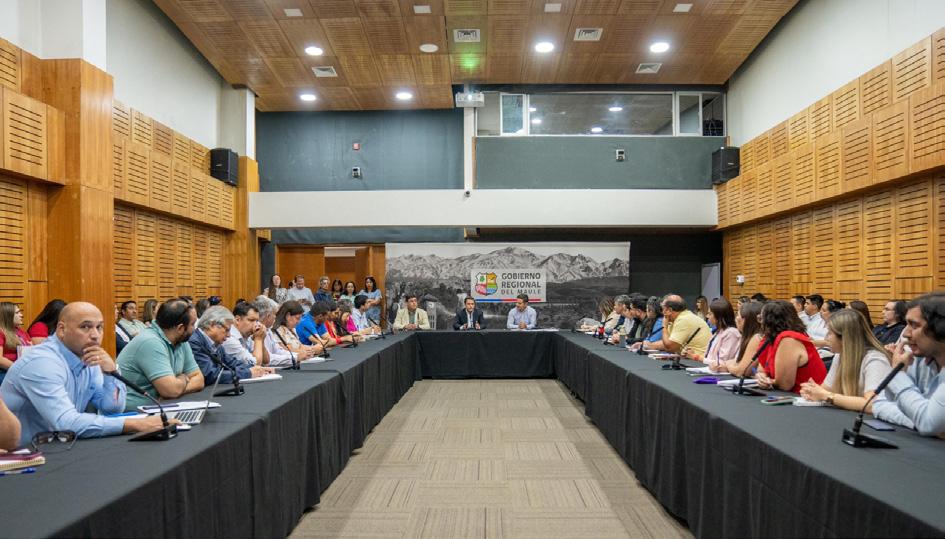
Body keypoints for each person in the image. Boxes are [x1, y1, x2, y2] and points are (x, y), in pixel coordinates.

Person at [0, 302, 170, 447]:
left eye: (99, 327)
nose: (95, 335)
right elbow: (66, 423)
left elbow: (111, 407)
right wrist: (135, 424)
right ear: (61, 329)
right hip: (19, 456)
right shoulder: (42, 363)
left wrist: (111, 373)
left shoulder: (88, 356)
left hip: (56, 447)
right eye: (85, 327)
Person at [870, 293, 945, 436]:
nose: (905, 334)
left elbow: (928, 423)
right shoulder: (917, 358)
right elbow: (879, 404)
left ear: (940, 329)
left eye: (914, 325)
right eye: (907, 324)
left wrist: (898, 374)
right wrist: (920, 420)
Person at [116, 299, 205, 411]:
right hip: (134, 414)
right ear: (180, 328)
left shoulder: (181, 340)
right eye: (193, 324)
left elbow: (199, 379)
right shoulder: (150, 342)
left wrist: (178, 386)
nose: (195, 329)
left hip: (161, 407)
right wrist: (184, 378)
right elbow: (171, 391)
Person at [799, 309, 893, 412]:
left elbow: (872, 404)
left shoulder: (875, 360)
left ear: (844, 337)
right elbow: (827, 389)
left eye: (830, 333)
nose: (826, 338)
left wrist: (827, 396)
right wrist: (813, 391)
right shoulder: (840, 355)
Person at [754, 300, 827, 394]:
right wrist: (761, 377)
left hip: (806, 396)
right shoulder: (771, 338)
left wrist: (769, 382)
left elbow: (785, 384)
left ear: (770, 321)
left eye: (761, 319)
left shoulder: (789, 339)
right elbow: (761, 369)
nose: (760, 323)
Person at [189, 306, 272, 385]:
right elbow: (210, 375)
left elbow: (232, 363)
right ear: (211, 325)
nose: (229, 335)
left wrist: (257, 369)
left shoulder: (216, 343)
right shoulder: (194, 342)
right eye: (227, 330)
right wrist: (248, 373)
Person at [684, 298, 741, 369]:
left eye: (710, 314)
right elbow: (710, 357)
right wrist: (693, 354)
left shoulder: (731, 333)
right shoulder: (719, 331)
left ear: (719, 316)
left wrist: (696, 357)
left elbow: (721, 363)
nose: (707, 316)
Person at [646, 295, 711, 355]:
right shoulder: (678, 318)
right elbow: (668, 341)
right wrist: (650, 345)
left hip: (698, 360)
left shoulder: (684, 320)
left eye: (663, 309)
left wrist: (664, 327)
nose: (663, 313)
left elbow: (670, 347)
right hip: (689, 358)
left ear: (670, 310)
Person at [721, 301, 764, 376]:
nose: (736, 318)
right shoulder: (746, 337)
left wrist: (728, 365)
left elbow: (740, 371)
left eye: (738, 315)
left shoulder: (757, 338)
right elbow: (737, 362)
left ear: (746, 320)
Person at [253, 296, 297, 368]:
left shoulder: (268, 329)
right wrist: (294, 358)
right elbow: (269, 360)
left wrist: (295, 356)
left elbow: (278, 350)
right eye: (275, 314)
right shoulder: (256, 330)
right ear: (268, 316)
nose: (275, 317)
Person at [222, 301, 270, 366]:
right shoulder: (229, 338)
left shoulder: (247, 335)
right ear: (237, 320)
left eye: (257, 321)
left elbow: (266, 361)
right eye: (251, 320)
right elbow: (255, 364)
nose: (256, 324)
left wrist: (261, 340)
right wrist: (258, 339)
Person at [0, 302, 32, 385]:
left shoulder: (21, 331)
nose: (21, 315)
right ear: (8, 316)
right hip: (5, 371)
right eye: (17, 313)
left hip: (23, 369)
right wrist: (18, 368)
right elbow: (0, 360)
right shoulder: (1, 332)